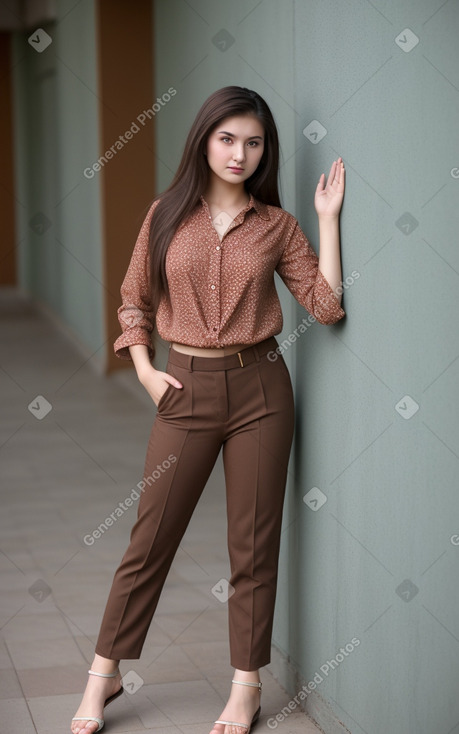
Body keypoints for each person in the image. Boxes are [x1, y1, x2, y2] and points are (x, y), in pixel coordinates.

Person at [71, 85, 346, 734]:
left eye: (253, 143)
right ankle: (102, 675)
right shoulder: (167, 213)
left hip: (260, 394)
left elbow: (327, 307)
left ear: (264, 152)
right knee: (149, 541)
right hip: (183, 390)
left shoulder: (277, 227)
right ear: (204, 139)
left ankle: (244, 687)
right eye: (227, 139)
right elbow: (133, 299)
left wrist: (326, 219)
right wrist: (143, 371)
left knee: (252, 546)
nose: (239, 154)